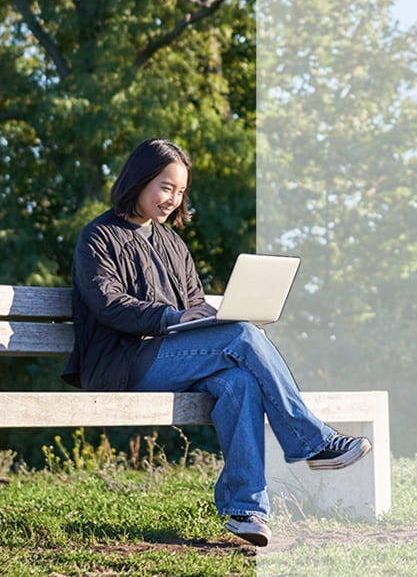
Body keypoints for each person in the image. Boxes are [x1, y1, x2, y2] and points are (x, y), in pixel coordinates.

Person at [63, 138, 369, 547]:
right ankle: (312, 442)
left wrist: (204, 316)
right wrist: (172, 317)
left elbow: (194, 304)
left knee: (239, 382)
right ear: (138, 180)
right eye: (165, 187)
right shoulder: (99, 237)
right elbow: (109, 304)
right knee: (242, 336)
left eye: (181, 191)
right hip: (124, 362)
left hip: (177, 359)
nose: (173, 199)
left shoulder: (172, 243)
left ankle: (246, 510)